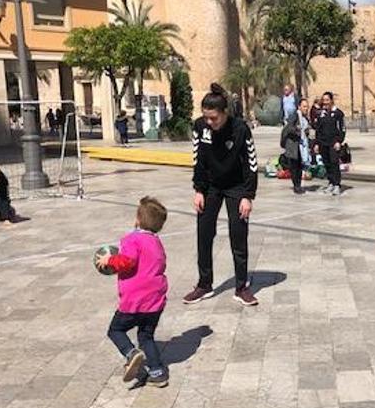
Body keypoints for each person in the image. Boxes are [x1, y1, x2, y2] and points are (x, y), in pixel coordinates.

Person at [183, 83, 259, 307]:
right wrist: (198, 190)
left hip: (236, 186)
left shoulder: (240, 129)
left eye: (213, 117)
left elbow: (251, 163)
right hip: (210, 187)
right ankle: (204, 284)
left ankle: (241, 287)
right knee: (204, 234)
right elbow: (198, 159)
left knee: (238, 235)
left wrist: (248, 195)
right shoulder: (200, 127)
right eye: (206, 117)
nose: (209, 122)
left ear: (224, 112)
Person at [98, 197, 170, 388]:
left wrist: (110, 260)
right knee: (146, 336)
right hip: (155, 301)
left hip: (134, 301)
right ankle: (158, 373)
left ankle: (131, 353)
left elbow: (127, 261)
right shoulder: (156, 242)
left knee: (115, 330)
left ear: (137, 219)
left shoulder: (132, 240)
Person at [313, 91, 346, 196]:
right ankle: (331, 182)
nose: (325, 102)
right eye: (324, 100)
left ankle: (337, 184)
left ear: (331, 100)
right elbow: (318, 129)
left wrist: (339, 141)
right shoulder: (320, 114)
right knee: (326, 163)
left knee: (334, 163)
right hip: (323, 143)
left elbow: (342, 129)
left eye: (327, 100)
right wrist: (317, 143)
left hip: (333, 143)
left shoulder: (338, 114)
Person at [280, 111, 305, 195]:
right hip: (292, 147)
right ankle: (296, 185)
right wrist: (298, 130)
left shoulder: (302, 119)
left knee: (299, 166)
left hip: (299, 147)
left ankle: (298, 184)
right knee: (294, 167)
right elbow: (289, 129)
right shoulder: (293, 120)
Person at [298, 99, 313, 168]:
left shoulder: (305, 117)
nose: (306, 109)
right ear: (299, 107)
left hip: (305, 145)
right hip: (299, 147)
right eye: (304, 106)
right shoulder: (296, 117)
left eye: (307, 107)